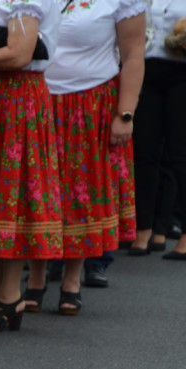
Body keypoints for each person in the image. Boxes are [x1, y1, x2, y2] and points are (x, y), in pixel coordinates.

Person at [21, 0, 145, 314]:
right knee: (39, 192)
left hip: (91, 105)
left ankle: (71, 282)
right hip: (39, 99)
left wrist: (125, 113)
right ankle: (35, 279)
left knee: (81, 194)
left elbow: (133, 56)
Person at [0, 0, 62, 329]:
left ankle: (9, 296)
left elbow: (19, 54)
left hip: (13, 97)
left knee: (12, 194)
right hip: (1, 96)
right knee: (6, 194)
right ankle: (5, 295)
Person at [130, 0, 186, 260]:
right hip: (148, 69)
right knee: (145, 153)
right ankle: (145, 228)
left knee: (179, 155)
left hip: (182, 70)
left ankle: (182, 234)